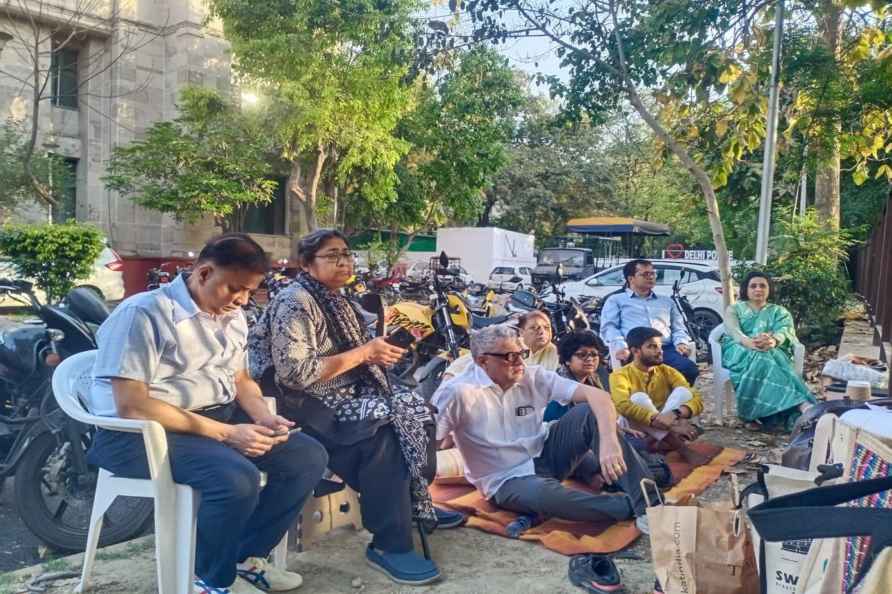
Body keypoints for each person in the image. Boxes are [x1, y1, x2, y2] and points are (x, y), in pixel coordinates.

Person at [86, 233, 327, 594]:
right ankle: (210, 581)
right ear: (203, 273)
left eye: (249, 291)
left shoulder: (232, 315)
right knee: (236, 478)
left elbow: (240, 378)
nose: (242, 300)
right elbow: (132, 404)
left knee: (307, 456)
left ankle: (246, 558)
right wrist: (229, 434)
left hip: (213, 419)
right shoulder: (144, 313)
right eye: (234, 289)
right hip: (138, 434)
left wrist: (263, 416)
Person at [248, 229, 461, 587]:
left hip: (346, 393)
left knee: (418, 411)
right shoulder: (296, 301)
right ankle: (390, 543)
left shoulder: (339, 300)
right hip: (299, 403)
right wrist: (366, 353)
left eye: (346, 254)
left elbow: (361, 358)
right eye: (332, 256)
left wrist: (383, 353)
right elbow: (295, 374)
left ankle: (411, 503)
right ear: (306, 264)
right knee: (384, 434)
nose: (344, 262)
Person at [435, 324, 654, 533]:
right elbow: (429, 441)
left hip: (547, 452)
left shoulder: (532, 375)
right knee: (546, 496)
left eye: (523, 353)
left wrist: (609, 442)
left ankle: (650, 504)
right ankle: (625, 506)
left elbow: (598, 396)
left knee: (588, 412)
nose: (521, 362)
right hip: (505, 479)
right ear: (483, 361)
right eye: (512, 356)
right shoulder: (458, 393)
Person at [721, 271, 816, 431]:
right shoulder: (735, 309)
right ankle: (801, 404)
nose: (758, 289)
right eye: (753, 286)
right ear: (746, 289)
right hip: (739, 350)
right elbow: (732, 329)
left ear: (769, 289)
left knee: (765, 355)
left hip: (771, 349)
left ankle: (754, 414)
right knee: (763, 355)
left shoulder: (779, 311)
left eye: (762, 286)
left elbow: (786, 330)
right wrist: (749, 342)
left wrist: (773, 340)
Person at [610, 327, 706, 464]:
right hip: (633, 429)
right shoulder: (619, 375)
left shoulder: (668, 371)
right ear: (635, 351)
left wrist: (675, 413)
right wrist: (670, 425)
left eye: (660, 346)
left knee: (684, 392)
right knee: (638, 399)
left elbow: (697, 399)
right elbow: (623, 406)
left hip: (662, 423)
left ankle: (658, 442)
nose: (659, 351)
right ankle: (682, 448)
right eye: (652, 347)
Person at [599, 259, 699, 385]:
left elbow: (678, 327)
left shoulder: (667, 301)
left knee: (689, 369)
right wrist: (621, 346)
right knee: (649, 375)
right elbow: (609, 327)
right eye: (645, 274)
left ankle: (673, 401)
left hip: (665, 349)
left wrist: (681, 342)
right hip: (636, 351)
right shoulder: (616, 300)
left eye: (653, 274)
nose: (651, 277)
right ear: (631, 278)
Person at [440, 310, 558, 382]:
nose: (542, 332)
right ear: (522, 332)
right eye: (535, 328)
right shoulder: (507, 346)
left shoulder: (555, 352)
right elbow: (460, 366)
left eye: (547, 328)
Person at [544, 330, 610, 422]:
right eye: (582, 354)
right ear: (567, 359)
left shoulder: (594, 379)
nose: (590, 359)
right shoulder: (558, 383)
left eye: (594, 354)